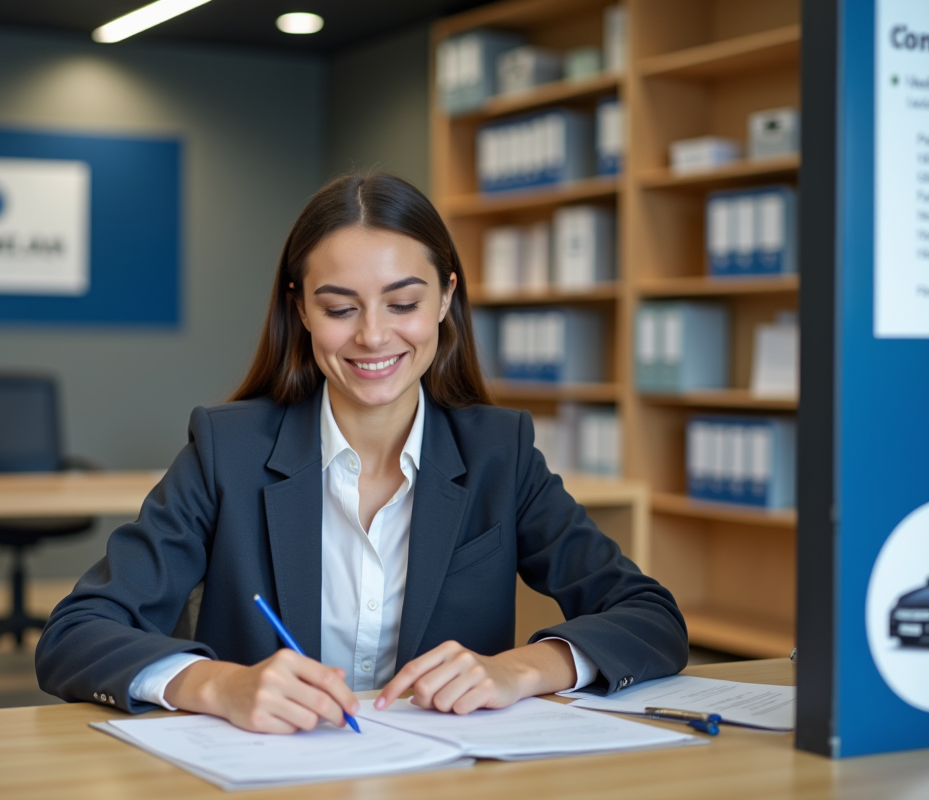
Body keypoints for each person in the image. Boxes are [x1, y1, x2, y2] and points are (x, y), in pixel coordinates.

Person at [36, 172, 687, 734]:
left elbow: (650, 617)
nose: (374, 335)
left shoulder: (499, 453)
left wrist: (519, 670)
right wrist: (216, 686)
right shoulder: (225, 450)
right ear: (302, 312)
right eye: (341, 308)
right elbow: (76, 634)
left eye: (403, 302)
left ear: (446, 300)